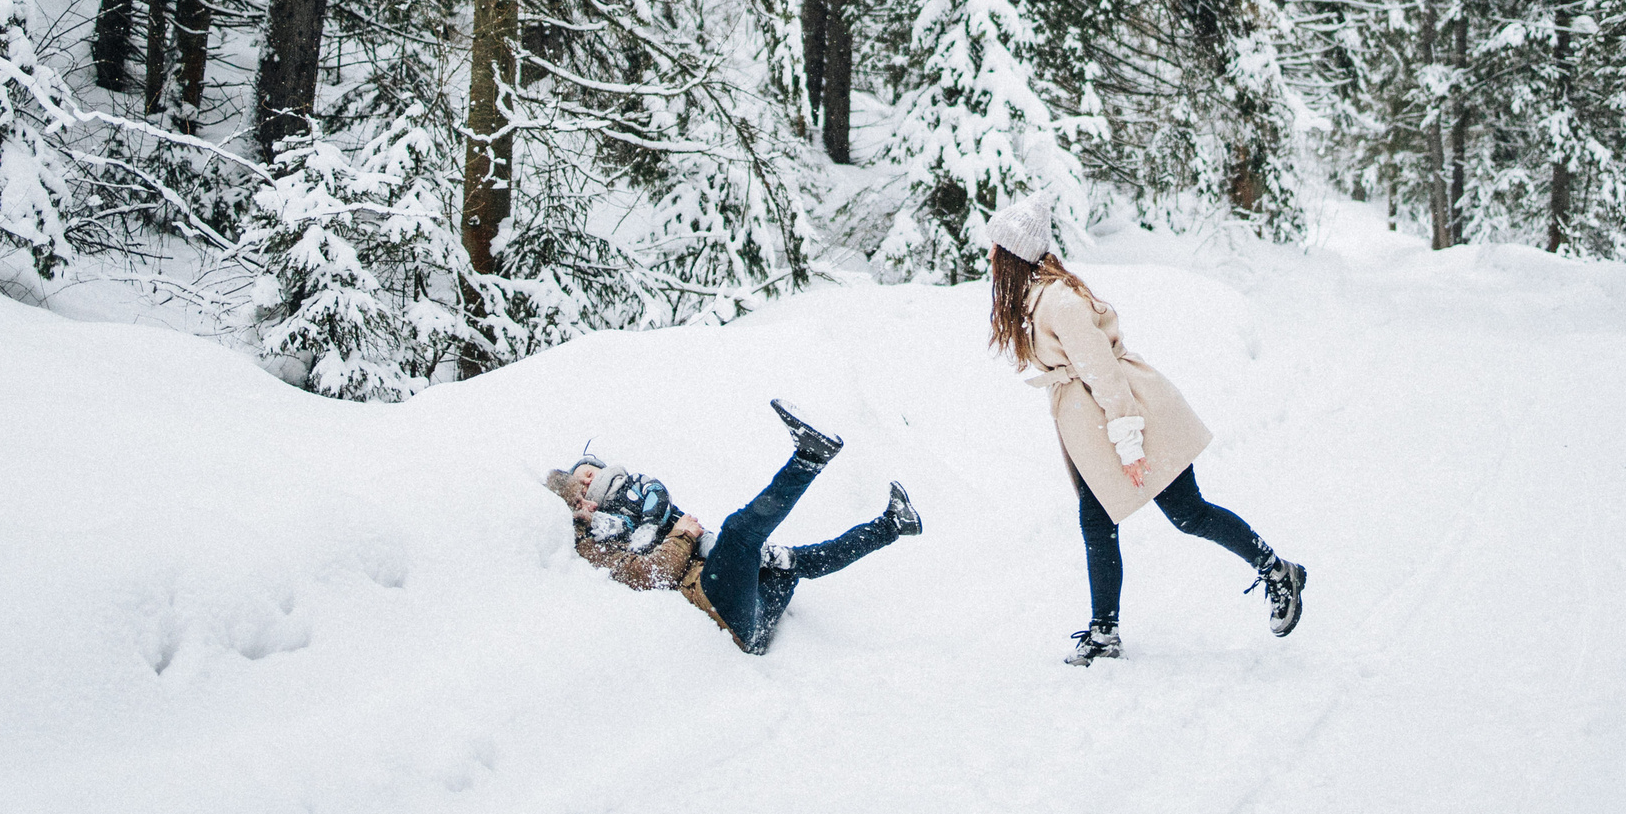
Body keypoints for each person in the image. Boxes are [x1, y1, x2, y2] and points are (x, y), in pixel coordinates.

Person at [983, 191, 1304, 665]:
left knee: (1188, 513)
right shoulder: (1036, 299)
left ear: (1013, 257)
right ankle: (1104, 631)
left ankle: (1279, 571)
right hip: (1095, 429)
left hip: (1134, 418)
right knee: (1097, 521)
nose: (989, 255)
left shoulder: (1059, 303)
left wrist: (1130, 444)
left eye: (996, 247)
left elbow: (1106, 376)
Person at [547, 399, 921, 656]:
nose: (591, 498)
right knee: (740, 532)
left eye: (590, 483)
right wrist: (684, 535)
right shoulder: (589, 544)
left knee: (799, 559)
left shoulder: (632, 506)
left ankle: (891, 524)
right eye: (582, 496)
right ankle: (809, 456)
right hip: (719, 608)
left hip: (754, 616)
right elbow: (651, 573)